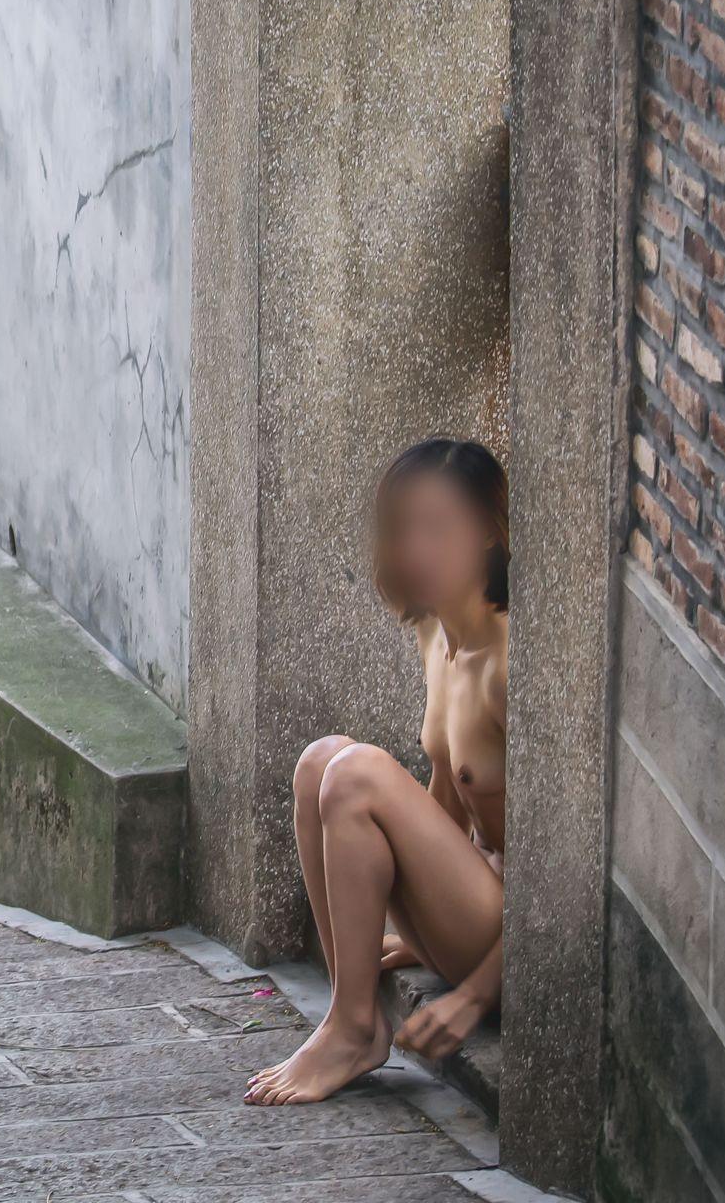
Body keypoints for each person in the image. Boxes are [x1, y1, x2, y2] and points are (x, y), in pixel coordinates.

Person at [246, 437, 509, 1106]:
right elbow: (447, 806)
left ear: (488, 532)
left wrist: (475, 996)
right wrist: (424, 924)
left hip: (513, 942)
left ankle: (351, 1028)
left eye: (439, 529)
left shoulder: (511, 664)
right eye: (405, 529)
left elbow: (565, 880)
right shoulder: (436, 633)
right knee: (320, 762)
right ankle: (353, 1009)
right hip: (467, 914)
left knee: (357, 773)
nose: (417, 550)